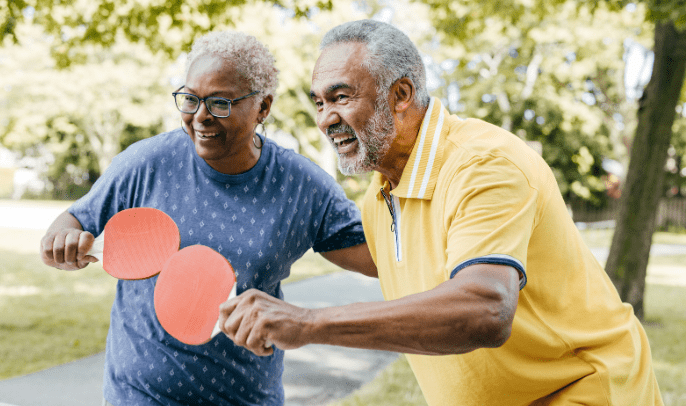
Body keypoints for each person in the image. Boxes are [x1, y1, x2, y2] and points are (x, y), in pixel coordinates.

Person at [219, 20, 664, 405]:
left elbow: (485, 309)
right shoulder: (382, 190)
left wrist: (309, 321)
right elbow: (376, 257)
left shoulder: (484, 164)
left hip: (587, 392)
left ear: (401, 94)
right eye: (319, 102)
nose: (325, 118)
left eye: (340, 97)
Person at [40, 31, 376, 406]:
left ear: (263, 108)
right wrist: (62, 242)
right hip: (138, 396)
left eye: (219, 102)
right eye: (190, 99)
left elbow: (384, 261)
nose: (200, 116)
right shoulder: (145, 163)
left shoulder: (302, 186)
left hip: (246, 397)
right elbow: (71, 223)